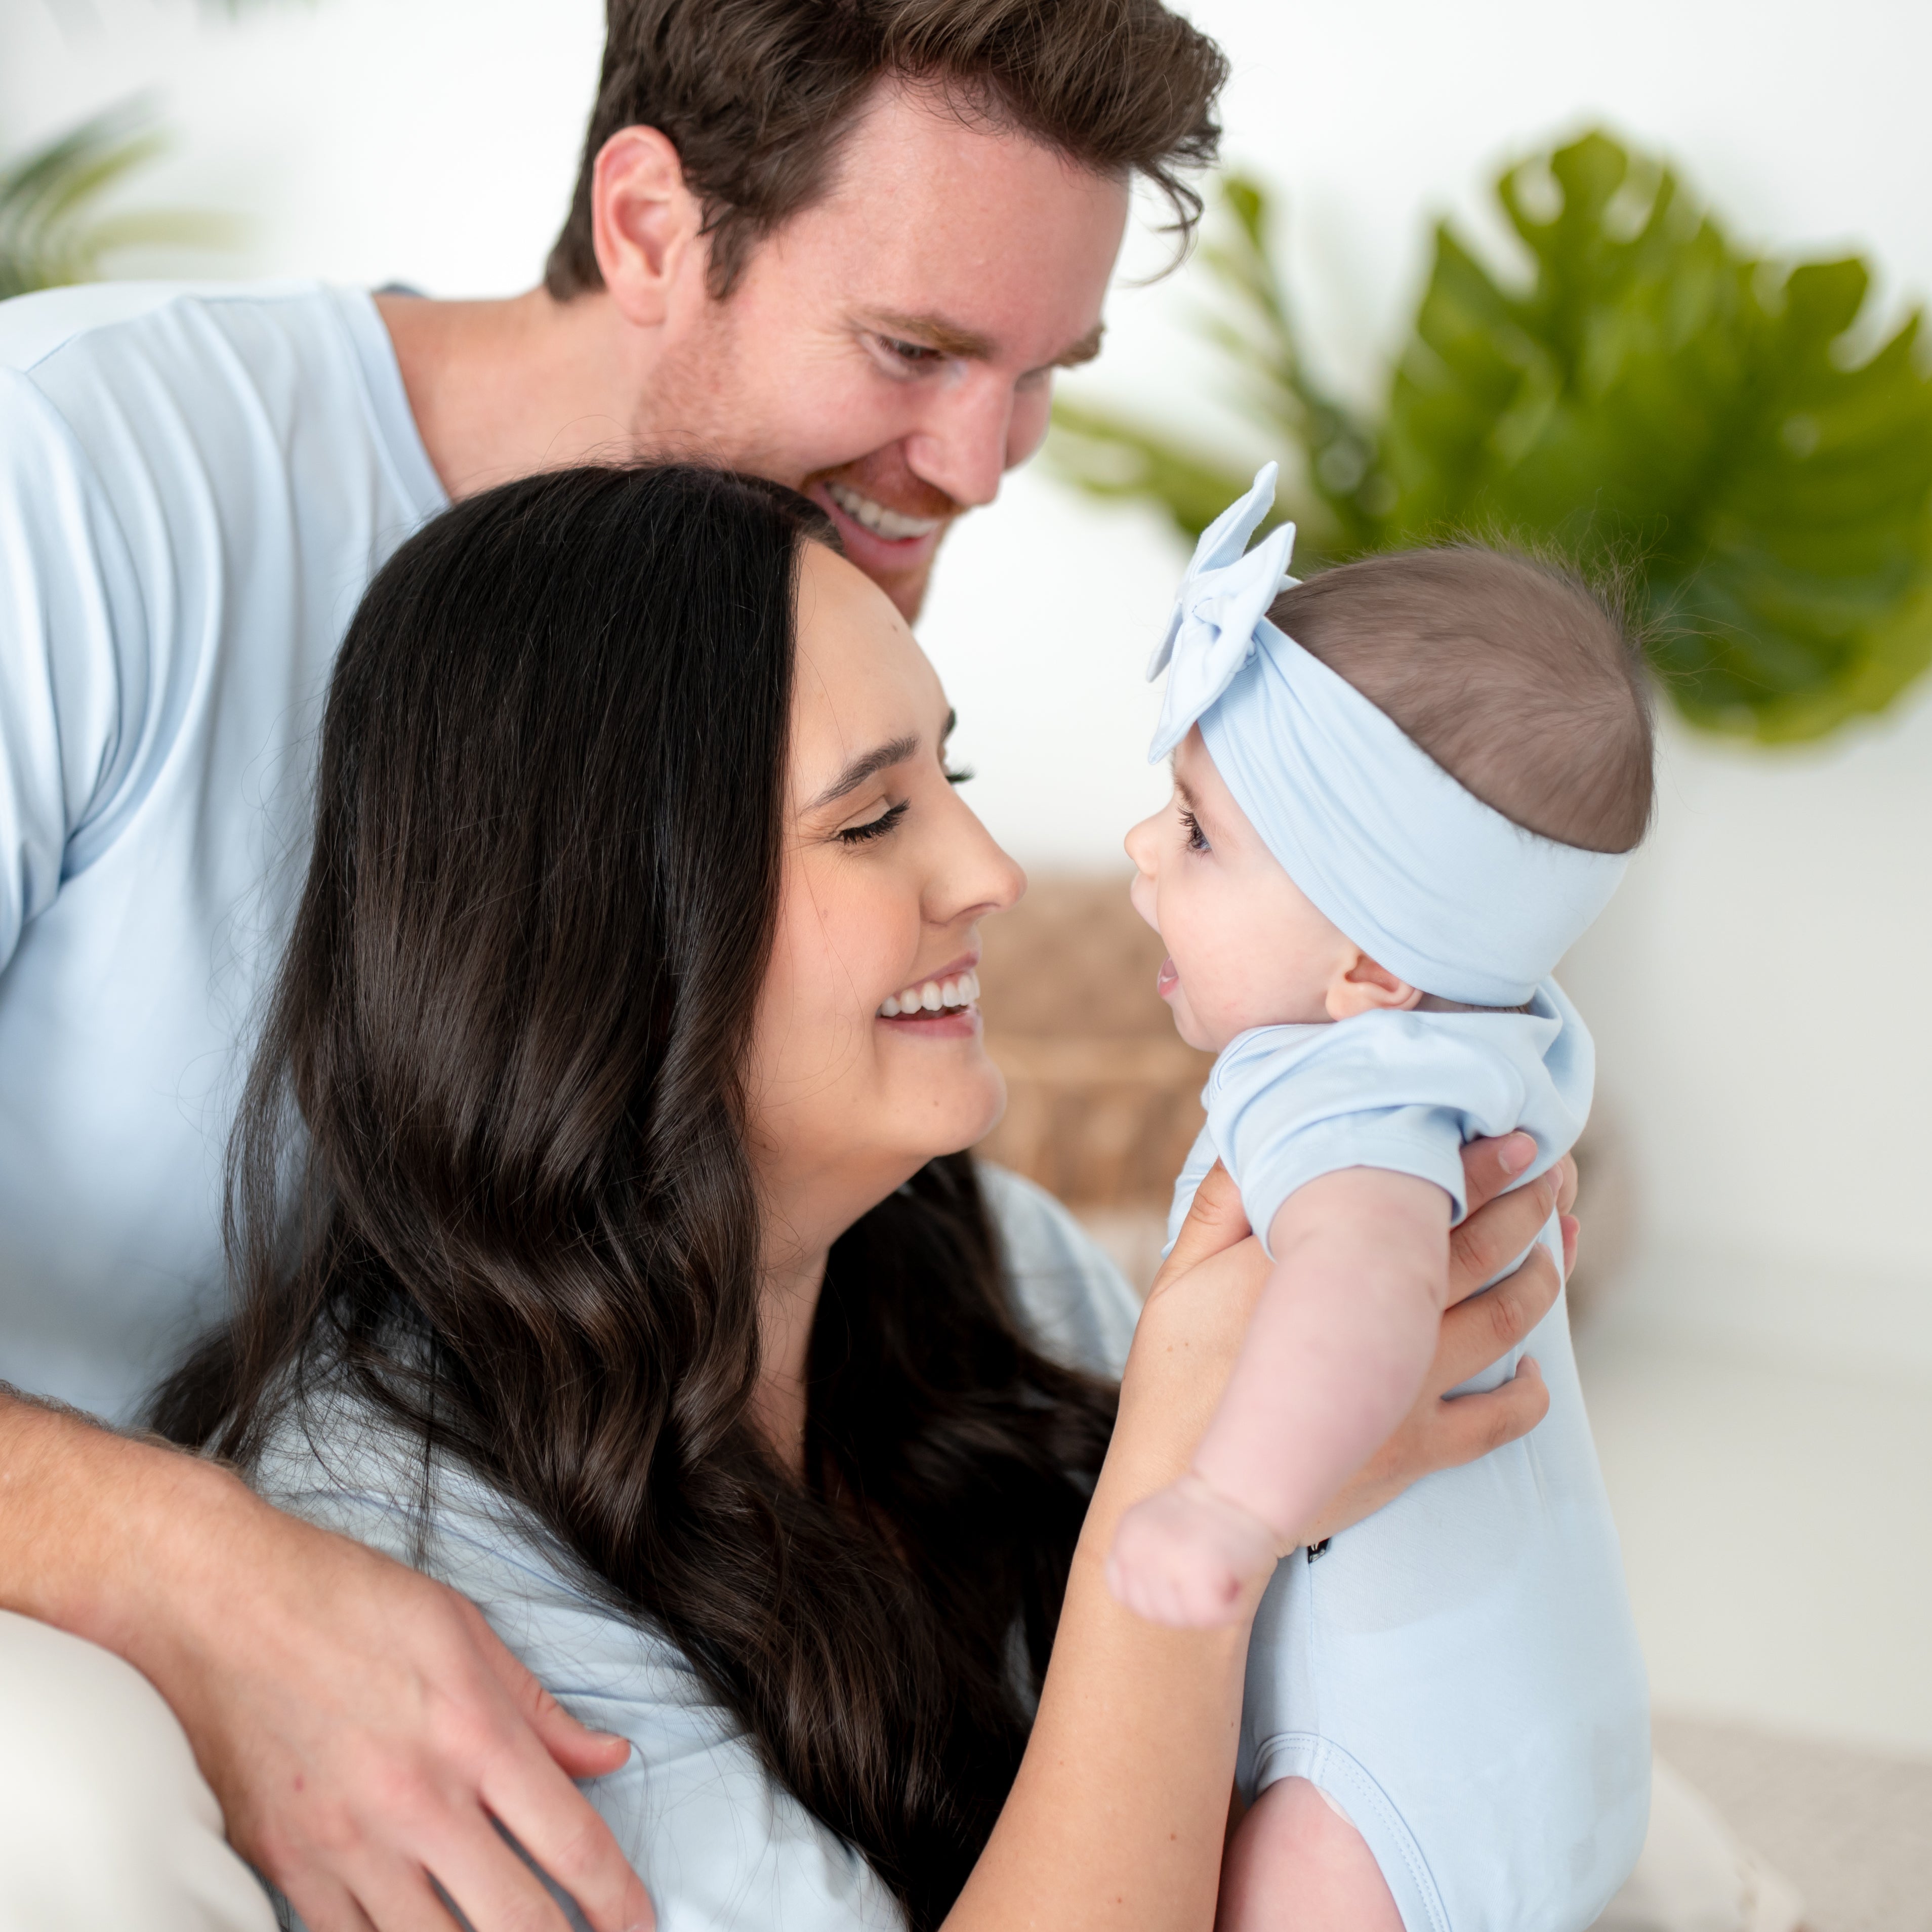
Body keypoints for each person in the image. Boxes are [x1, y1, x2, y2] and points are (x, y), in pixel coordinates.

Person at [0, 4, 1570, 1927]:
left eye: (1041, 375)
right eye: (912, 349)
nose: (977, 464)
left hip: (586, 1398)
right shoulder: (72, 488)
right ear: (649, 225)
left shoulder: (948, 1243)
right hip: (134, 1551)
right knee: (82, 1788)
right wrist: (197, 1564)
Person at [152, 458, 1580, 1932]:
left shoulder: (992, 1257)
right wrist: (1181, 1524)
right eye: (868, 819)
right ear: (600, 923)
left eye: (953, 781)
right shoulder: (408, 1546)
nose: (992, 872)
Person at [1110, 470, 1653, 1928]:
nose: (1141, 848)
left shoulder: (1343, 1092)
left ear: (1367, 966)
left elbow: (1361, 1294)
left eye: (1199, 831)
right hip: (1534, 1716)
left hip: (1379, 1789)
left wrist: (1229, 1505)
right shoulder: (1498, 1042)